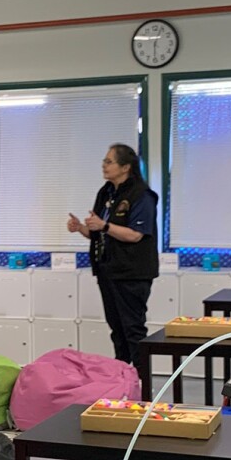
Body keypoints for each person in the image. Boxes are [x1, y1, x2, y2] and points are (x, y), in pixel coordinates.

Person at [66, 144, 159, 365]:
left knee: (132, 328)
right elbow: (99, 231)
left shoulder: (141, 195)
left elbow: (136, 234)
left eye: (109, 162)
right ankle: (121, 375)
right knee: (116, 328)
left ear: (126, 167)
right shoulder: (106, 191)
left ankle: (140, 381)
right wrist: (80, 227)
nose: (104, 166)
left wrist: (104, 226)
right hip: (107, 270)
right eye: (104, 161)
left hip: (131, 273)